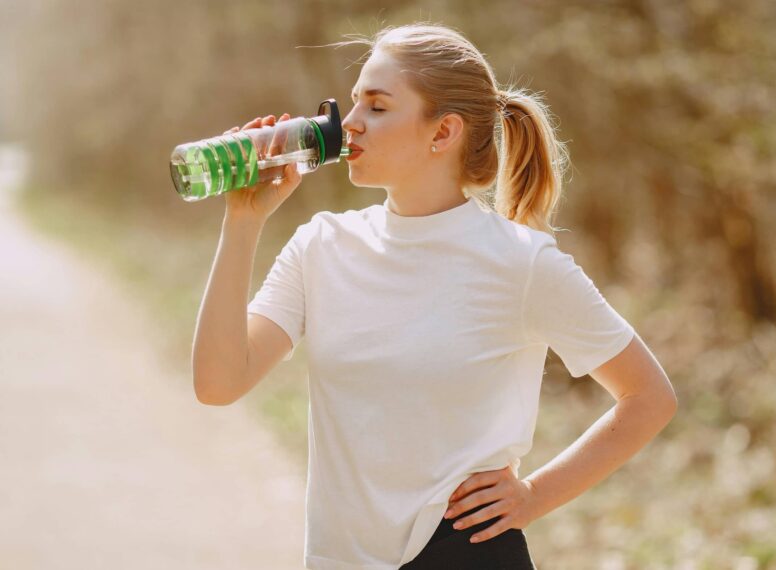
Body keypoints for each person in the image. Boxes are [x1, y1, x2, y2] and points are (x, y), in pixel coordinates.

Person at [191, 22, 678, 570]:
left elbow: (648, 398)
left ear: (442, 132)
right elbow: (218, 382)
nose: (348, 124)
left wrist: (535, 495)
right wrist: (243, 221)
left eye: (376, 107)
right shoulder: (321, 246)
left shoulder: (521, 263)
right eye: (353, 103)